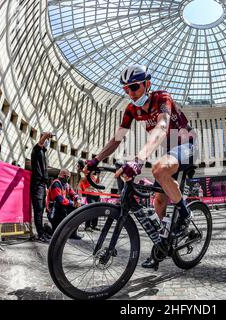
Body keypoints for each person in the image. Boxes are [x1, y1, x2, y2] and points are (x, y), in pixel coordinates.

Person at [84, 64, 196, 269]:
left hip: (185, 144)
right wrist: (95, 160)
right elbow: (117, 139)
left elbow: (162, 127)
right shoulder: (132, 109)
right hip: (169, 151)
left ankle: (185, 214)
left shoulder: (163, 98)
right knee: (159, 202)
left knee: (159, 168)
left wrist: (138, 159)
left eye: (134, 87)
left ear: (147, 84)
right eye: (125, 89)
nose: (130, 93)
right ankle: (159, 248)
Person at [46, 169, 82, 239]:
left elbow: (74, 194)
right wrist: (73, 203)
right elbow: (59, 200)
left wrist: (78, 199)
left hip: (61, 209)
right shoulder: (56, 183)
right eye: (68, 177)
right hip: (54, 211)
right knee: (56, 235)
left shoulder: (66, 185)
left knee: (76, 210)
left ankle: (72, 234)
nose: (68, 179)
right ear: (64, 176)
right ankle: (46, 227)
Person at [31, 132, 53, 242]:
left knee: (41, 210)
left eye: (49, 140)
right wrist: (46, 135)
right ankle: (40, 234)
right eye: (46, 139)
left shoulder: (44, 153)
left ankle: (42, 232)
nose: (48, 141)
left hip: (42, 185)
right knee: (38, 210)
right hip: (36, 185)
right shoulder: (36, 150)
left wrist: (46, 188)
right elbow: (39, 143)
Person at [76, 159, 100, 231]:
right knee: (91, 209)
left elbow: (97, 182)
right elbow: (81, 181)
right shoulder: (84, 175)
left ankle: (94, 225)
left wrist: (98, 175)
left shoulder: (93, 176)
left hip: (96, 194)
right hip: (90, 194)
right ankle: (87, 226)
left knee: (97, 210)